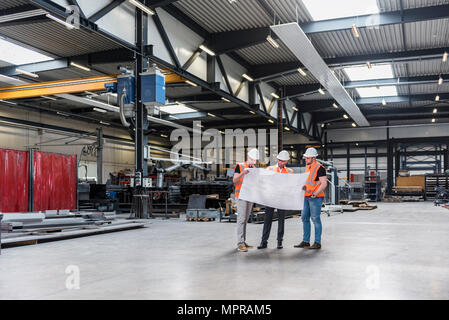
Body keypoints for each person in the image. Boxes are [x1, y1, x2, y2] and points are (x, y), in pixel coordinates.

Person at [257, 150, 293, 250]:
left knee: (281, 220)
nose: (282, 162)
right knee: (267, 219)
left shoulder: (290, 171)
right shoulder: (270, 169)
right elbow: (264, 182)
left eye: (284, 161)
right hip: (271, 198)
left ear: (286, 161)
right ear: (277, 159)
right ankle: (264, 242)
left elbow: (291, 185)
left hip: (282, 198)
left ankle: (279, 242)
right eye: (280, 160)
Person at [294, 147, 327, 250]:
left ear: (313, 158)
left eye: (307, 158)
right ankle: (306, 241)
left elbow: (324, 184)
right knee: (304, 218)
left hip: (315, 198)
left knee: (315, 219)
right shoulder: (308, 167)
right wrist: (305, 187)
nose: (305, 159)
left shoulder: (320, 168)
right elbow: (309, 181)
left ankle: (317, 242)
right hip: (306, 197)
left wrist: (315, 193)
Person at [233, 148, 259, 252]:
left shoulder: (254, 168)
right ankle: (240, 243)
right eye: (253, 160)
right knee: (241, 219)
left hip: (250, 196)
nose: (254, 162)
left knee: (246, 219)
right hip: (241, 196)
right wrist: (243, 173)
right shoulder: (240, 166)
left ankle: (243, 241)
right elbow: (234, 180)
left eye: (255, 160)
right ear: (249, 157)